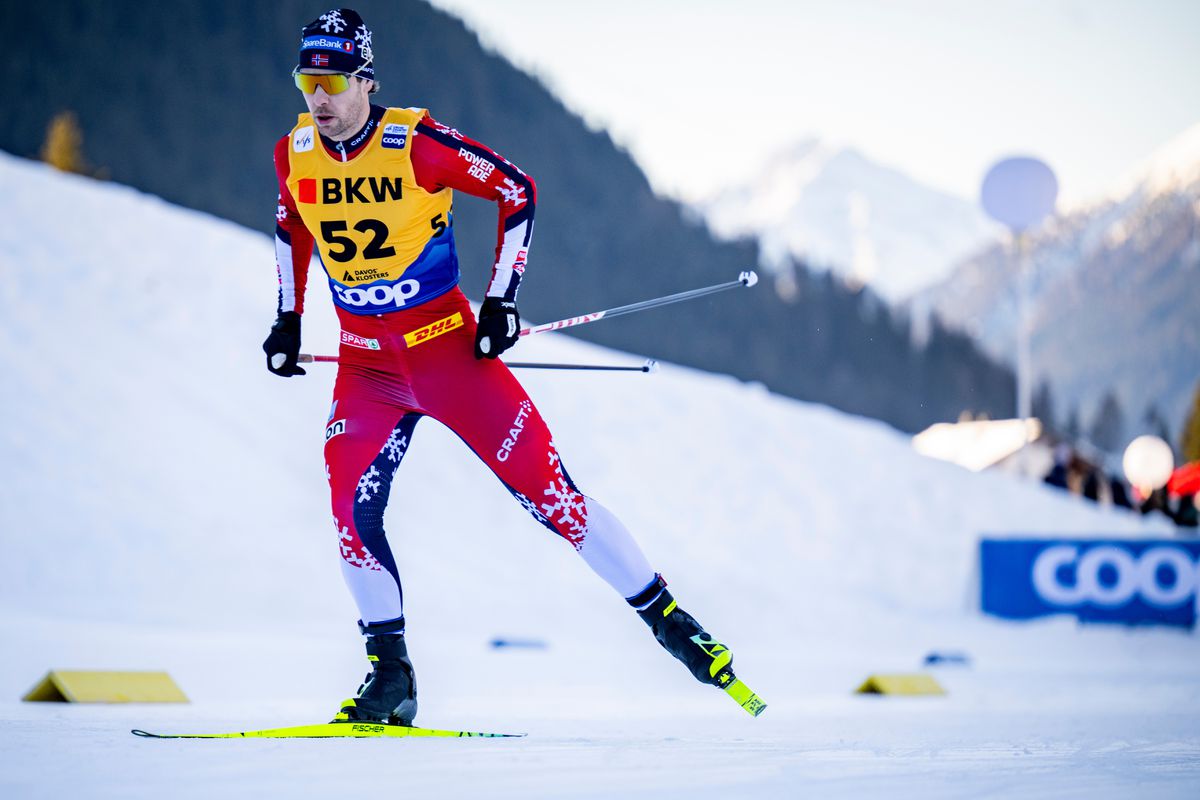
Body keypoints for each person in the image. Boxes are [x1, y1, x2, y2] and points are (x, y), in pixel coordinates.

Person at [264, 8, 739, 725]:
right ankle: (391, 675)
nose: (318, 98)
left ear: (365, 81)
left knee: (553, 497)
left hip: (449, 355)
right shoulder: (295, 152)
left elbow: (517, 189)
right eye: (307, 82)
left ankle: (670, 621)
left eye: (332, 82)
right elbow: (291, 225)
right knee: (349, 514)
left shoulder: (415, 143)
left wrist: (501, 300)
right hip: (366, 370)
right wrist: (288, 317)